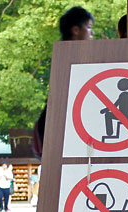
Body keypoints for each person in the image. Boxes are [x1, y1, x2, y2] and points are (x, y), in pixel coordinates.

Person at [33, 6, 94, 158]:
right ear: (76, 30)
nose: (92, 34)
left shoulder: (65, 58)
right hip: (63, 130)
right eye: (89, 28)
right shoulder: (71, 59)